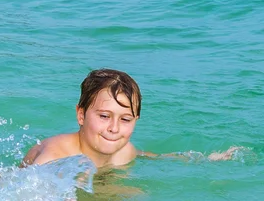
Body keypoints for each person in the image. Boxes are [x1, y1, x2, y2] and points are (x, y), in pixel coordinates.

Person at [21, 68, 239, 169]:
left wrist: (205, 159)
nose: (114, 128)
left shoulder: (125, 152)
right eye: (104, 116)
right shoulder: (55, 156)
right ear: (81, 114)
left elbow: (154, 157)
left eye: (125, 119)